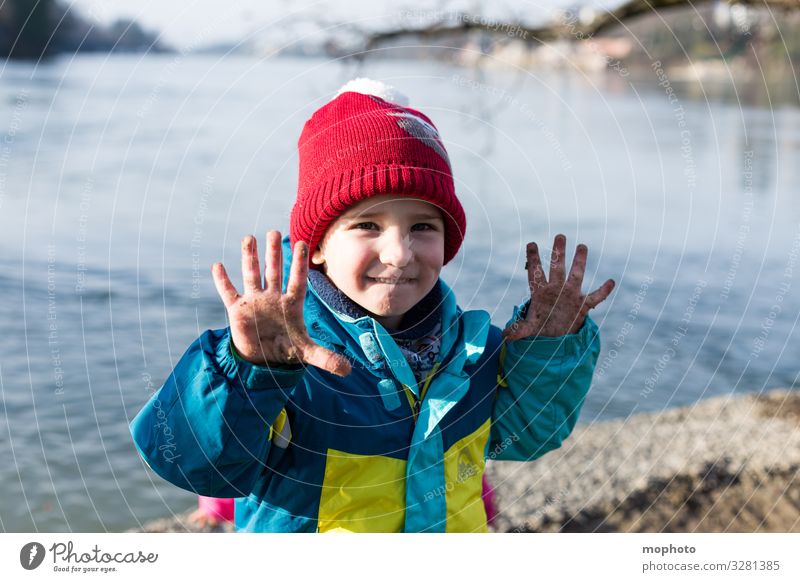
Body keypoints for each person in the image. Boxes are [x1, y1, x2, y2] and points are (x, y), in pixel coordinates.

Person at [130, 78, 615, 532]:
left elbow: (530, 435)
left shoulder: (474, 351)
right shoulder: (287, 359)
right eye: (367, 225)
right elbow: (194, 464)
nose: (399, 253)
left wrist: (551, 349)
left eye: (423, 227)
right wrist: (249, 371)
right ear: (315, 246)